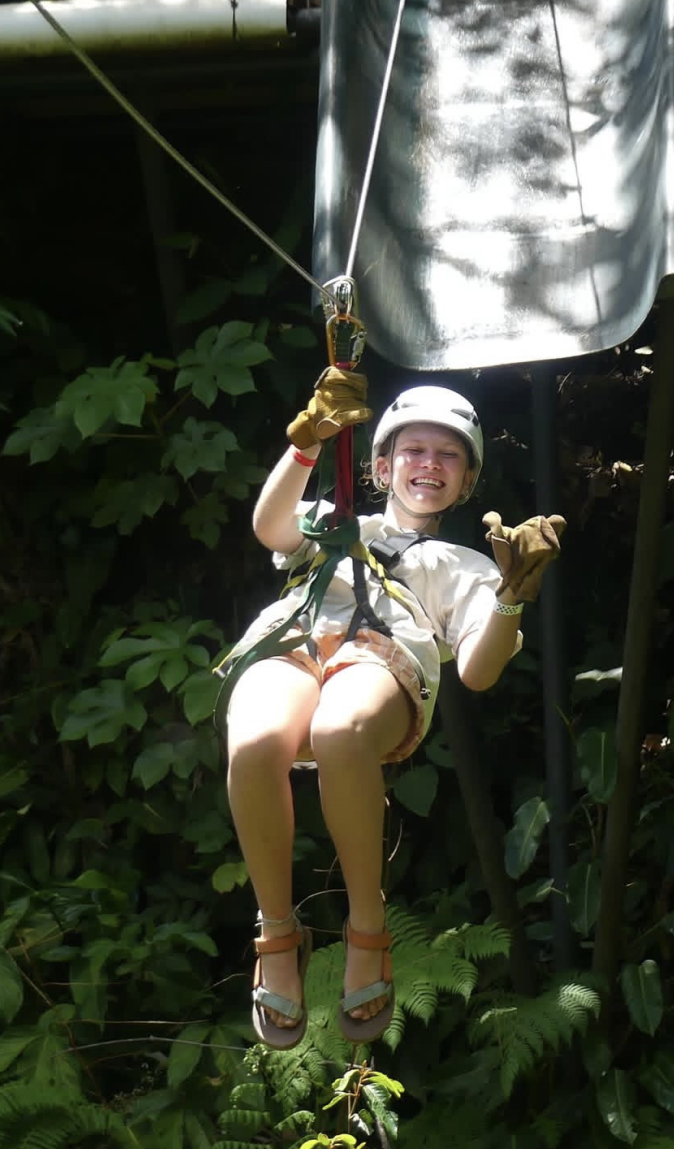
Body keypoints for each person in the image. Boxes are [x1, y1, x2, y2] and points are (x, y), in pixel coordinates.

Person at [223, 367, 565, 1049]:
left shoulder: (465, 562)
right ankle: (276, 931)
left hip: (381, 657)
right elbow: (269, 527)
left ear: (466, 482)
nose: (429, 464)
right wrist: (308, 442)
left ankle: (366, 925)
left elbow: (476, 669)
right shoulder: (337, 519)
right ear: (381, 465)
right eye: (414, 450)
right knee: (256, 742)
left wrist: (510, 596)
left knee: (342, 727)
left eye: (448, 456)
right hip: (293, 641)